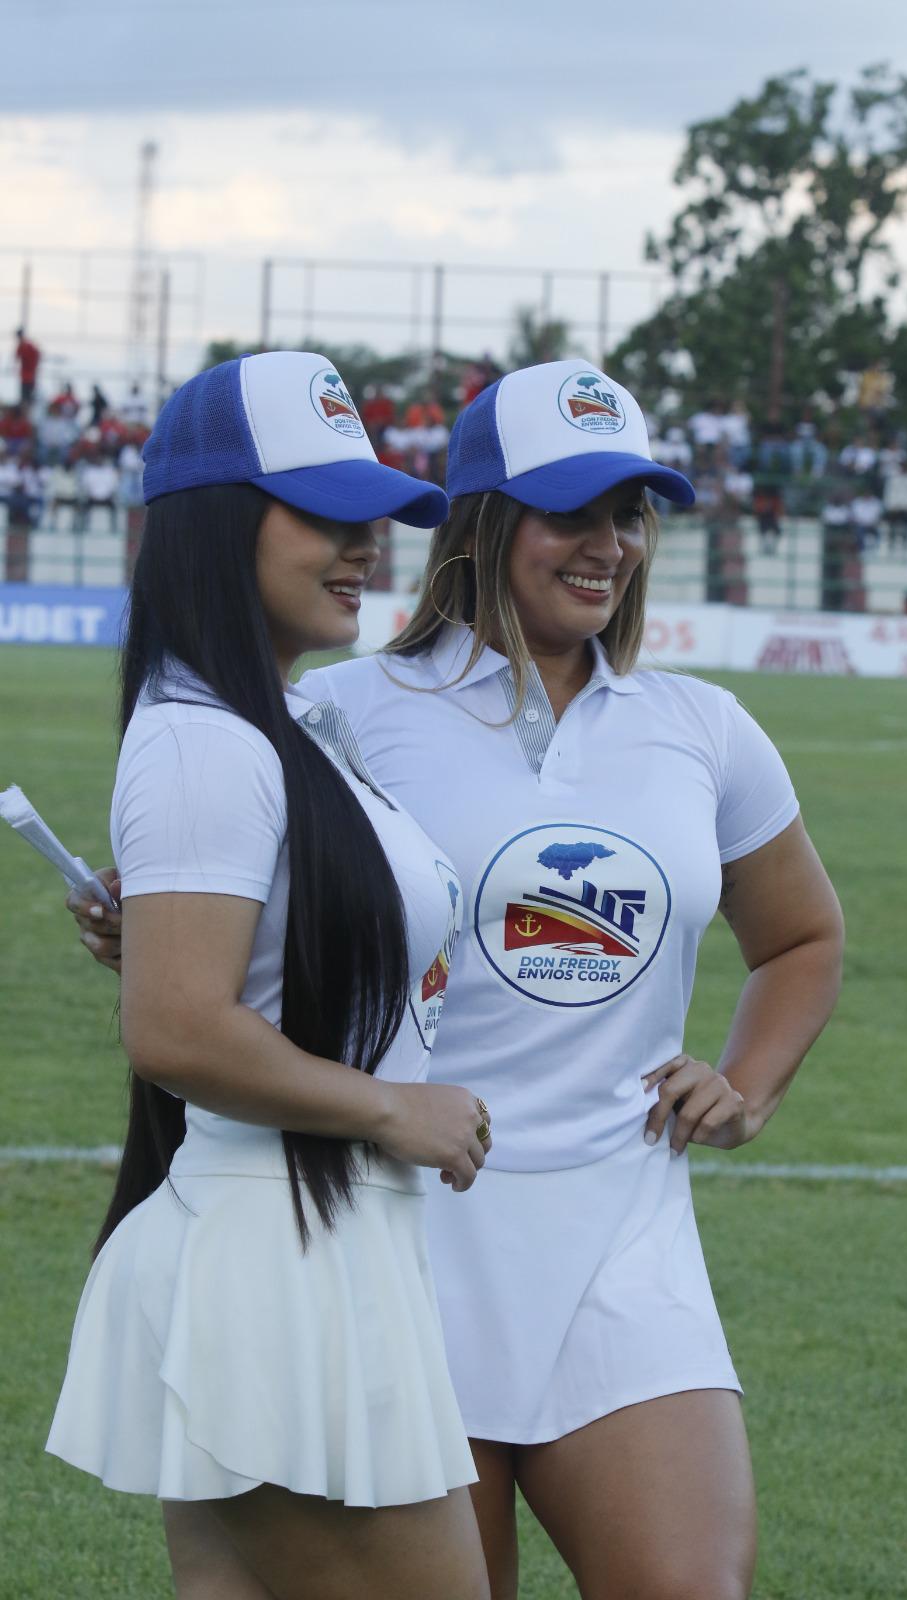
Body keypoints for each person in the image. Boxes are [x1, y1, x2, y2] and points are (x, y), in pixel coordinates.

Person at [73, 358, 844, 1600]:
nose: (609, 545)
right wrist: (148, 923)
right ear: (482, 521)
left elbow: (803, 937)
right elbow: (240, 922)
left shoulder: (702, 728)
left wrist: (746, 1084)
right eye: (573, 510)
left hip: (620, 1232)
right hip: (405, 1228)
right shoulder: (342, 709)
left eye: (632, 512)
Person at [51, 350, 491, 1600]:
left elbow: (220, 988)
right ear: (217, 523)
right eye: (324, 516)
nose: (365, 547)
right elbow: (178, 1032)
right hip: (280, 1249)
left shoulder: (261, 726)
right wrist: (397, 1107)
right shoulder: (204, 740)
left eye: (372, 519)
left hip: (309, 1241)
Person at [14, 327, 41, 405]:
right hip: (27, 377)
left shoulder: (26, 346)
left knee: (26, 399)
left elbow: (17, 357)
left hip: (28, 377)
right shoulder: (27, 346)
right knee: (26, 398)